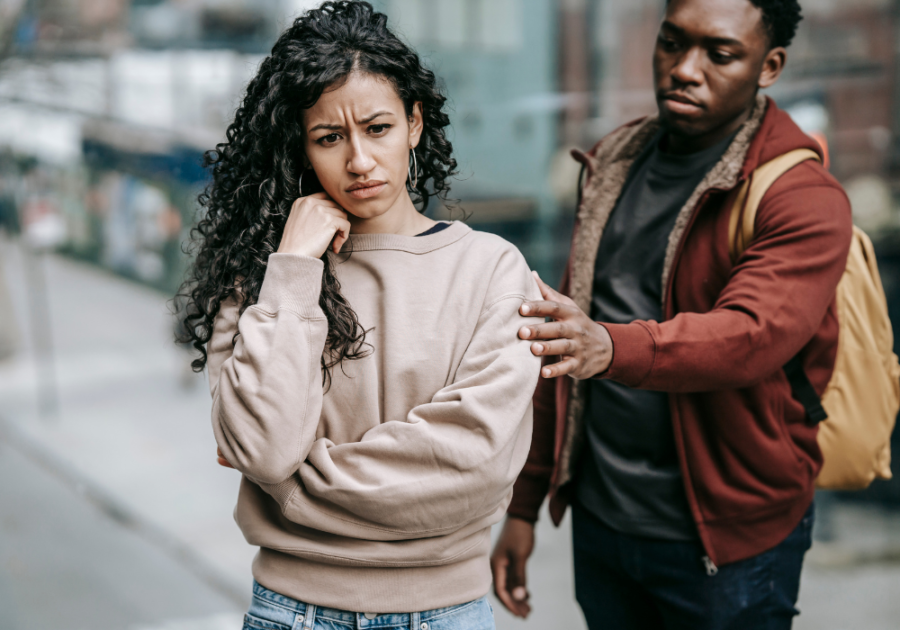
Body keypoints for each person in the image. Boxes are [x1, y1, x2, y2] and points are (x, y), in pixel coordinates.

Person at [177, 3, 542, 629]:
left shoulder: (492, 270)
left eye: (377, 128)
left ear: (415, 124)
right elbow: (264, 449)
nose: (359, 161)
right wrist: (292, 266)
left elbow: (472, 465)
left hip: (445, 613)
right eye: (329, 138)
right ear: (302, 146)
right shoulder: (267, 281)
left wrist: (293, 491)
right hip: (291, 614)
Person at [491, 0, 853, 628]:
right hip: (603, 521)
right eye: (671, 43)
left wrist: (611, 346)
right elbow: (563, 339)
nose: (684, 69)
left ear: (769, 66)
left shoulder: (802, 197)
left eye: (719, 54)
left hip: (727, 538)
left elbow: (751, 335)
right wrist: (524, 505)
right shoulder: (615, 163)